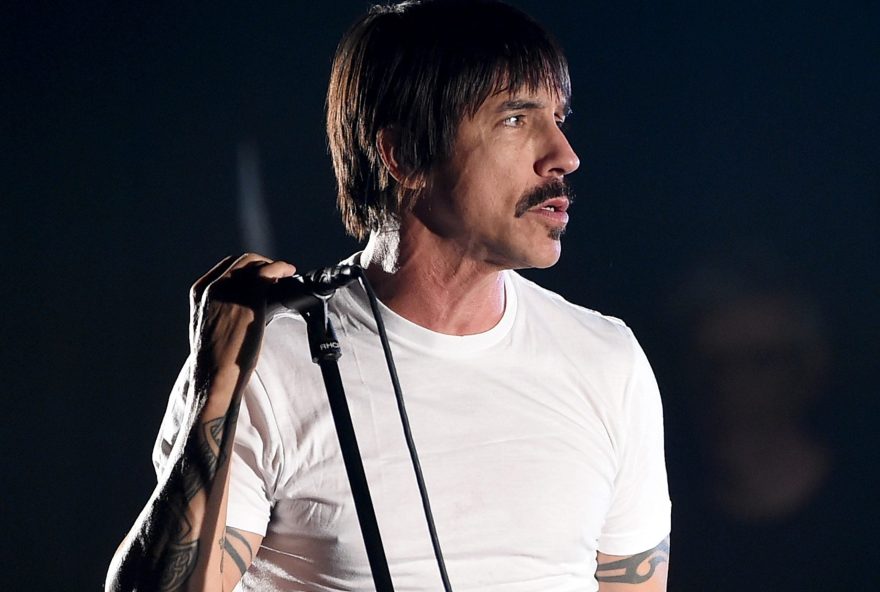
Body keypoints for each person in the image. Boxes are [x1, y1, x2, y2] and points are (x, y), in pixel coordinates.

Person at [105, 1, 671, 590]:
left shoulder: (608, 359)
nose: (564, 155)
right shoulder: (268, 358)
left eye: (559, 117)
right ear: (403, 156)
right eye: (515, 119)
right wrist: (216, 384)